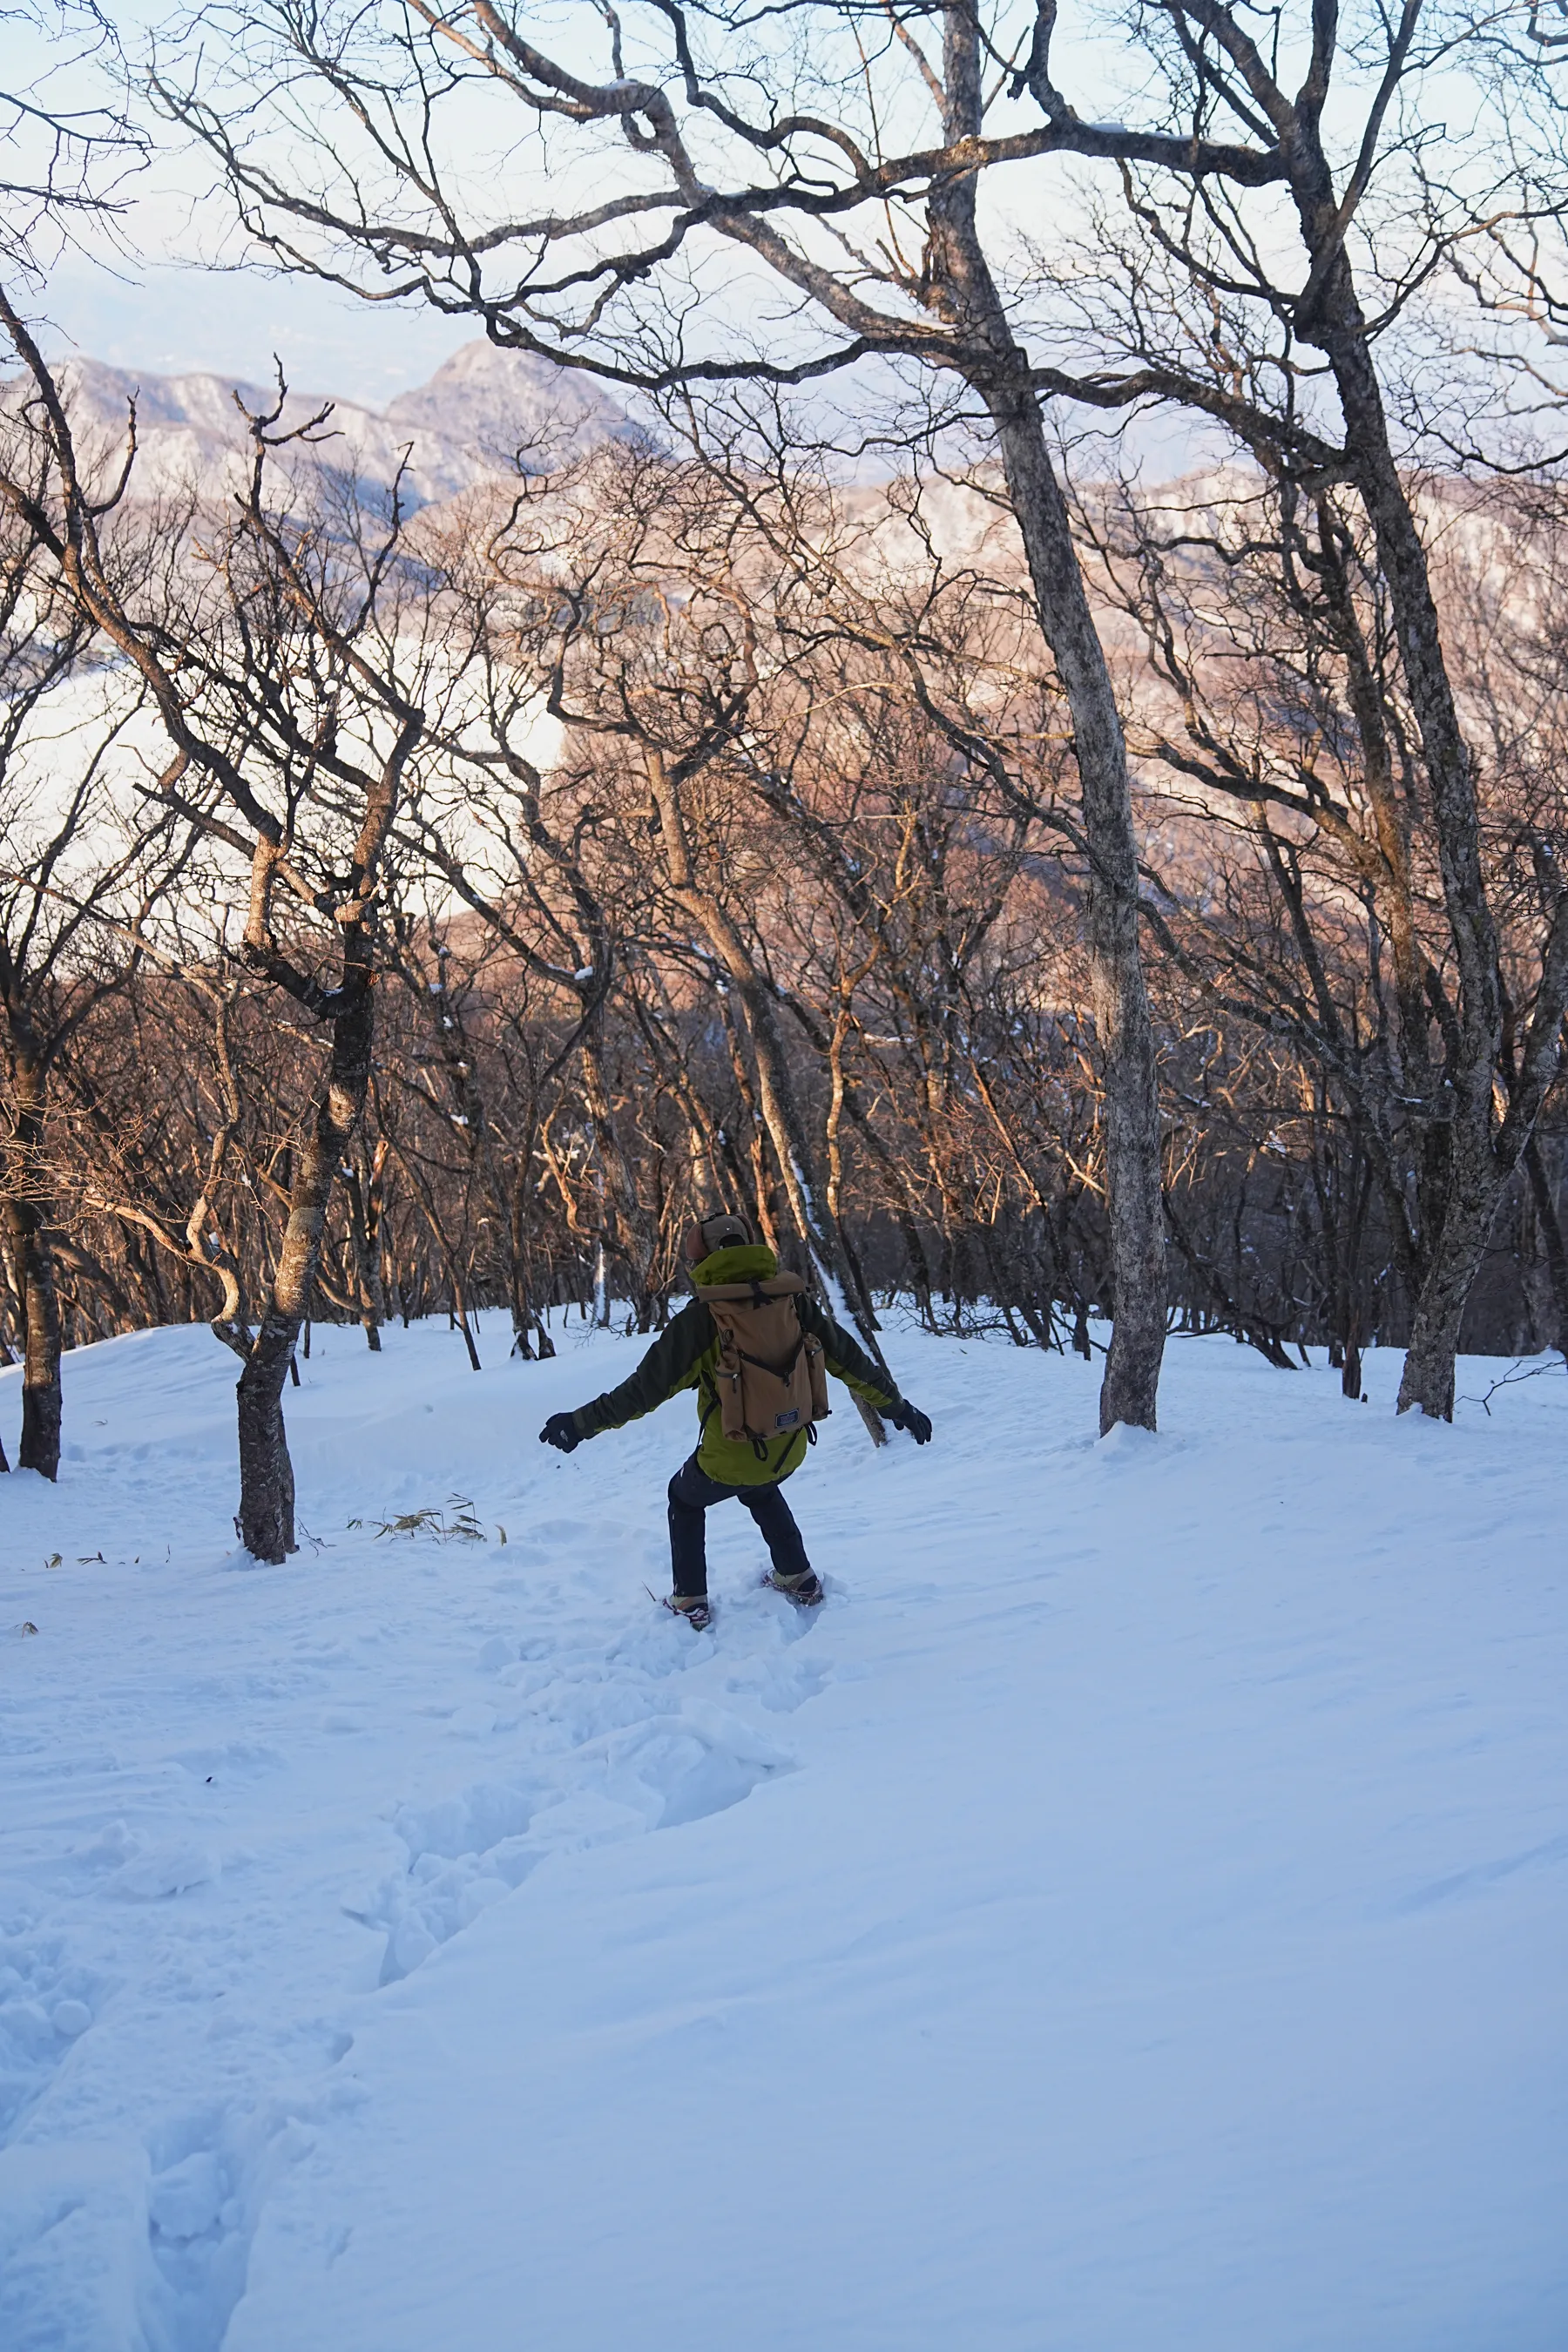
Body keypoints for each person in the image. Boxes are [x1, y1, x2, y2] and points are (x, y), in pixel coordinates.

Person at [539, 1212, 932, 1628]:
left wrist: (579, 1424)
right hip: (791, 1443)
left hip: (733, 1453)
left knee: (684, 1498)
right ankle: (798, 1577)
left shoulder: (702, 1319)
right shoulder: (792, 1300)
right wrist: (896, 1407)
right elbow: (849, 1358)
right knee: (760, 1486)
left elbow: (641, 1393)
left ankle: (690, 1600)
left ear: (702, 1259)